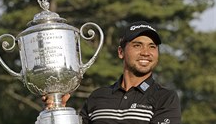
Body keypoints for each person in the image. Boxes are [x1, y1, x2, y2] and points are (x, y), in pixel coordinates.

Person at [43, 21, 181, 124]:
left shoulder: (165, 98)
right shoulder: (97, 97)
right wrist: (59, 110)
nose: (146, 52)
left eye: (152, 47)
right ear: (121, 52)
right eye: (137, 45)